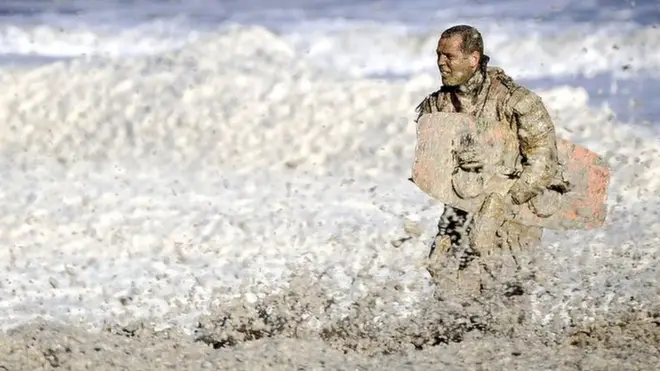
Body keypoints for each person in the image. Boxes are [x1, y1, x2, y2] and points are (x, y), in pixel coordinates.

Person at [414, 25, 560, 267]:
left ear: (473, 59)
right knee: (447, 287)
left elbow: (544, 163)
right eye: (438, 55)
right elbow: (432, 169)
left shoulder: (517, 102)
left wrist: (503, 203)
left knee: (507, 294)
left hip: (513, 217)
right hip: (460, 211)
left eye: (448, 56)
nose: (440, 62)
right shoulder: (436, 107)